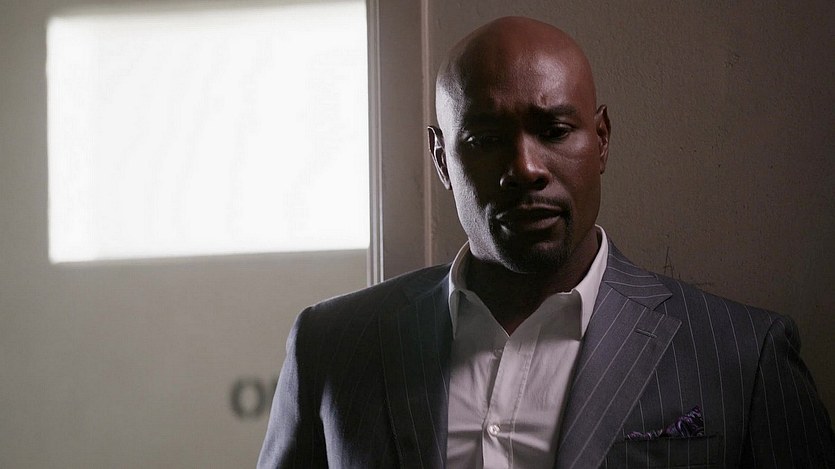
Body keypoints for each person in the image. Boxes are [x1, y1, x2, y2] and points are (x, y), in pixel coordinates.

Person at [258, 16, 834, 468]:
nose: (526, 168)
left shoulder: (743, 356)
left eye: (555, 131)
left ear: (601, 139)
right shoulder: (330, 347)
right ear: (441, 160)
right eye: (484, 139)